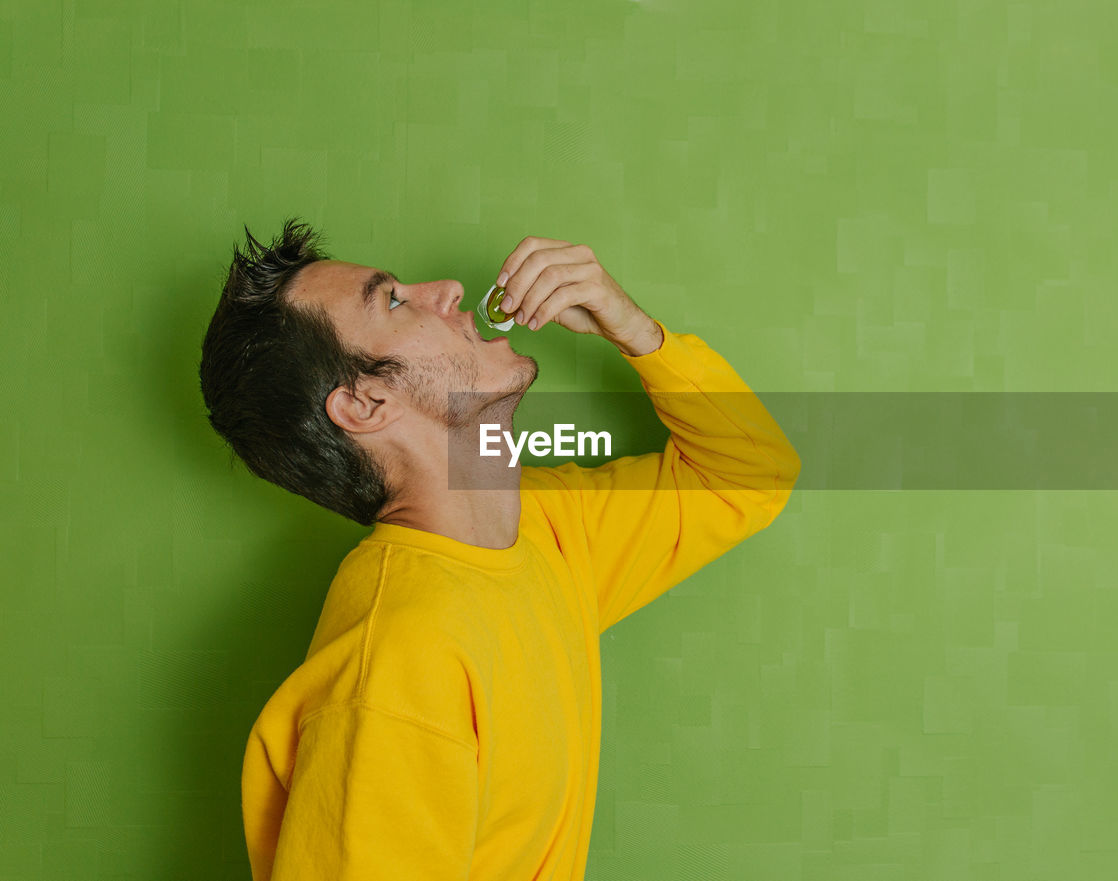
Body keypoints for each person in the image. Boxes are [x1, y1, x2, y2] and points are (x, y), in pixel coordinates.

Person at [198, 217, 801, 881]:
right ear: (366, 404)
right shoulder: (396, 667)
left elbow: (749, 475)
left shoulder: (544, 530)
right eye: (394, 300)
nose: (449, 289)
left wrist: (634, 331)